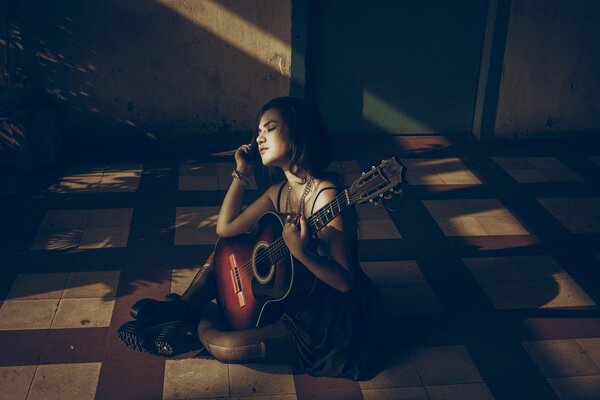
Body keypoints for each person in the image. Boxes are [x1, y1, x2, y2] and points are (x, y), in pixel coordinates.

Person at [117, 96, 381, 380]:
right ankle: (180, 311)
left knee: (224, 346)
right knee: (224, 251)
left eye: (270, 128)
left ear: (298, 133)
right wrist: (241, 173)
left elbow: (344, 282)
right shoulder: (279, 192)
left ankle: (183, 317)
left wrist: (301, 252)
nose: (259, 138)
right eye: (258, 132)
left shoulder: (326, 195)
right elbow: (226, 229)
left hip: (322, 318)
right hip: (286, 293)